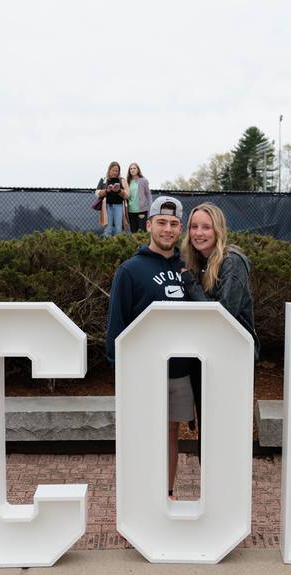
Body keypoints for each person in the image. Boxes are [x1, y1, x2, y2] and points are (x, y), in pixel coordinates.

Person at [105, 196, 192, 498]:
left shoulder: (188, 267)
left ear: (180, 228)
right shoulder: (130, 270)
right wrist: (119, 368)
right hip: (143, 372)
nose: (167, 229)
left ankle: (166, 494)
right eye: (162, 223)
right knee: (140, 435)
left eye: (174, 224)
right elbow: (117, 323)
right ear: (150, 224)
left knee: (170, 433)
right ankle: (136, 502)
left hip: (179, 372)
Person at [180, 203, 260, 447]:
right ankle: (212, 483)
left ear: (218, 231)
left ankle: (229, 483)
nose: (199, 233)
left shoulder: (232, 261)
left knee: (226, 431)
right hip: (206, 356)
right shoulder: (198, 263)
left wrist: (192, 285)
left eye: (206, 227)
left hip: (232, 356)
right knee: (209, 432)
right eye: (194, 227)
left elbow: (222, 315)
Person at [96, 161, 128, 236]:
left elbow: (126, 195)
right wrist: (107, 190)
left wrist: (119, 190)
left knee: (118, 229)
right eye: (113, 170)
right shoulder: (104, 179)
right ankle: (107, 246)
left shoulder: (122, 180)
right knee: (108, 229)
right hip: (107, 206)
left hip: (119, 206)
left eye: (117, 171)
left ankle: (118, 245)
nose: (115, 172)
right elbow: (97, 193)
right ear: (109, 170)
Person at [125, 162, 152, 233]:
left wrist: (150, 207)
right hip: (131, 210)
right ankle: (135, 245)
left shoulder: (143, 180)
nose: (132, 170)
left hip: (142, 210)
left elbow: (148, 195)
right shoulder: (127, 182)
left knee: (141, 231)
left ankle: (142, 245)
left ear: (138, 170)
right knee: (133, 231)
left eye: (134, 168)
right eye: (131, 169)